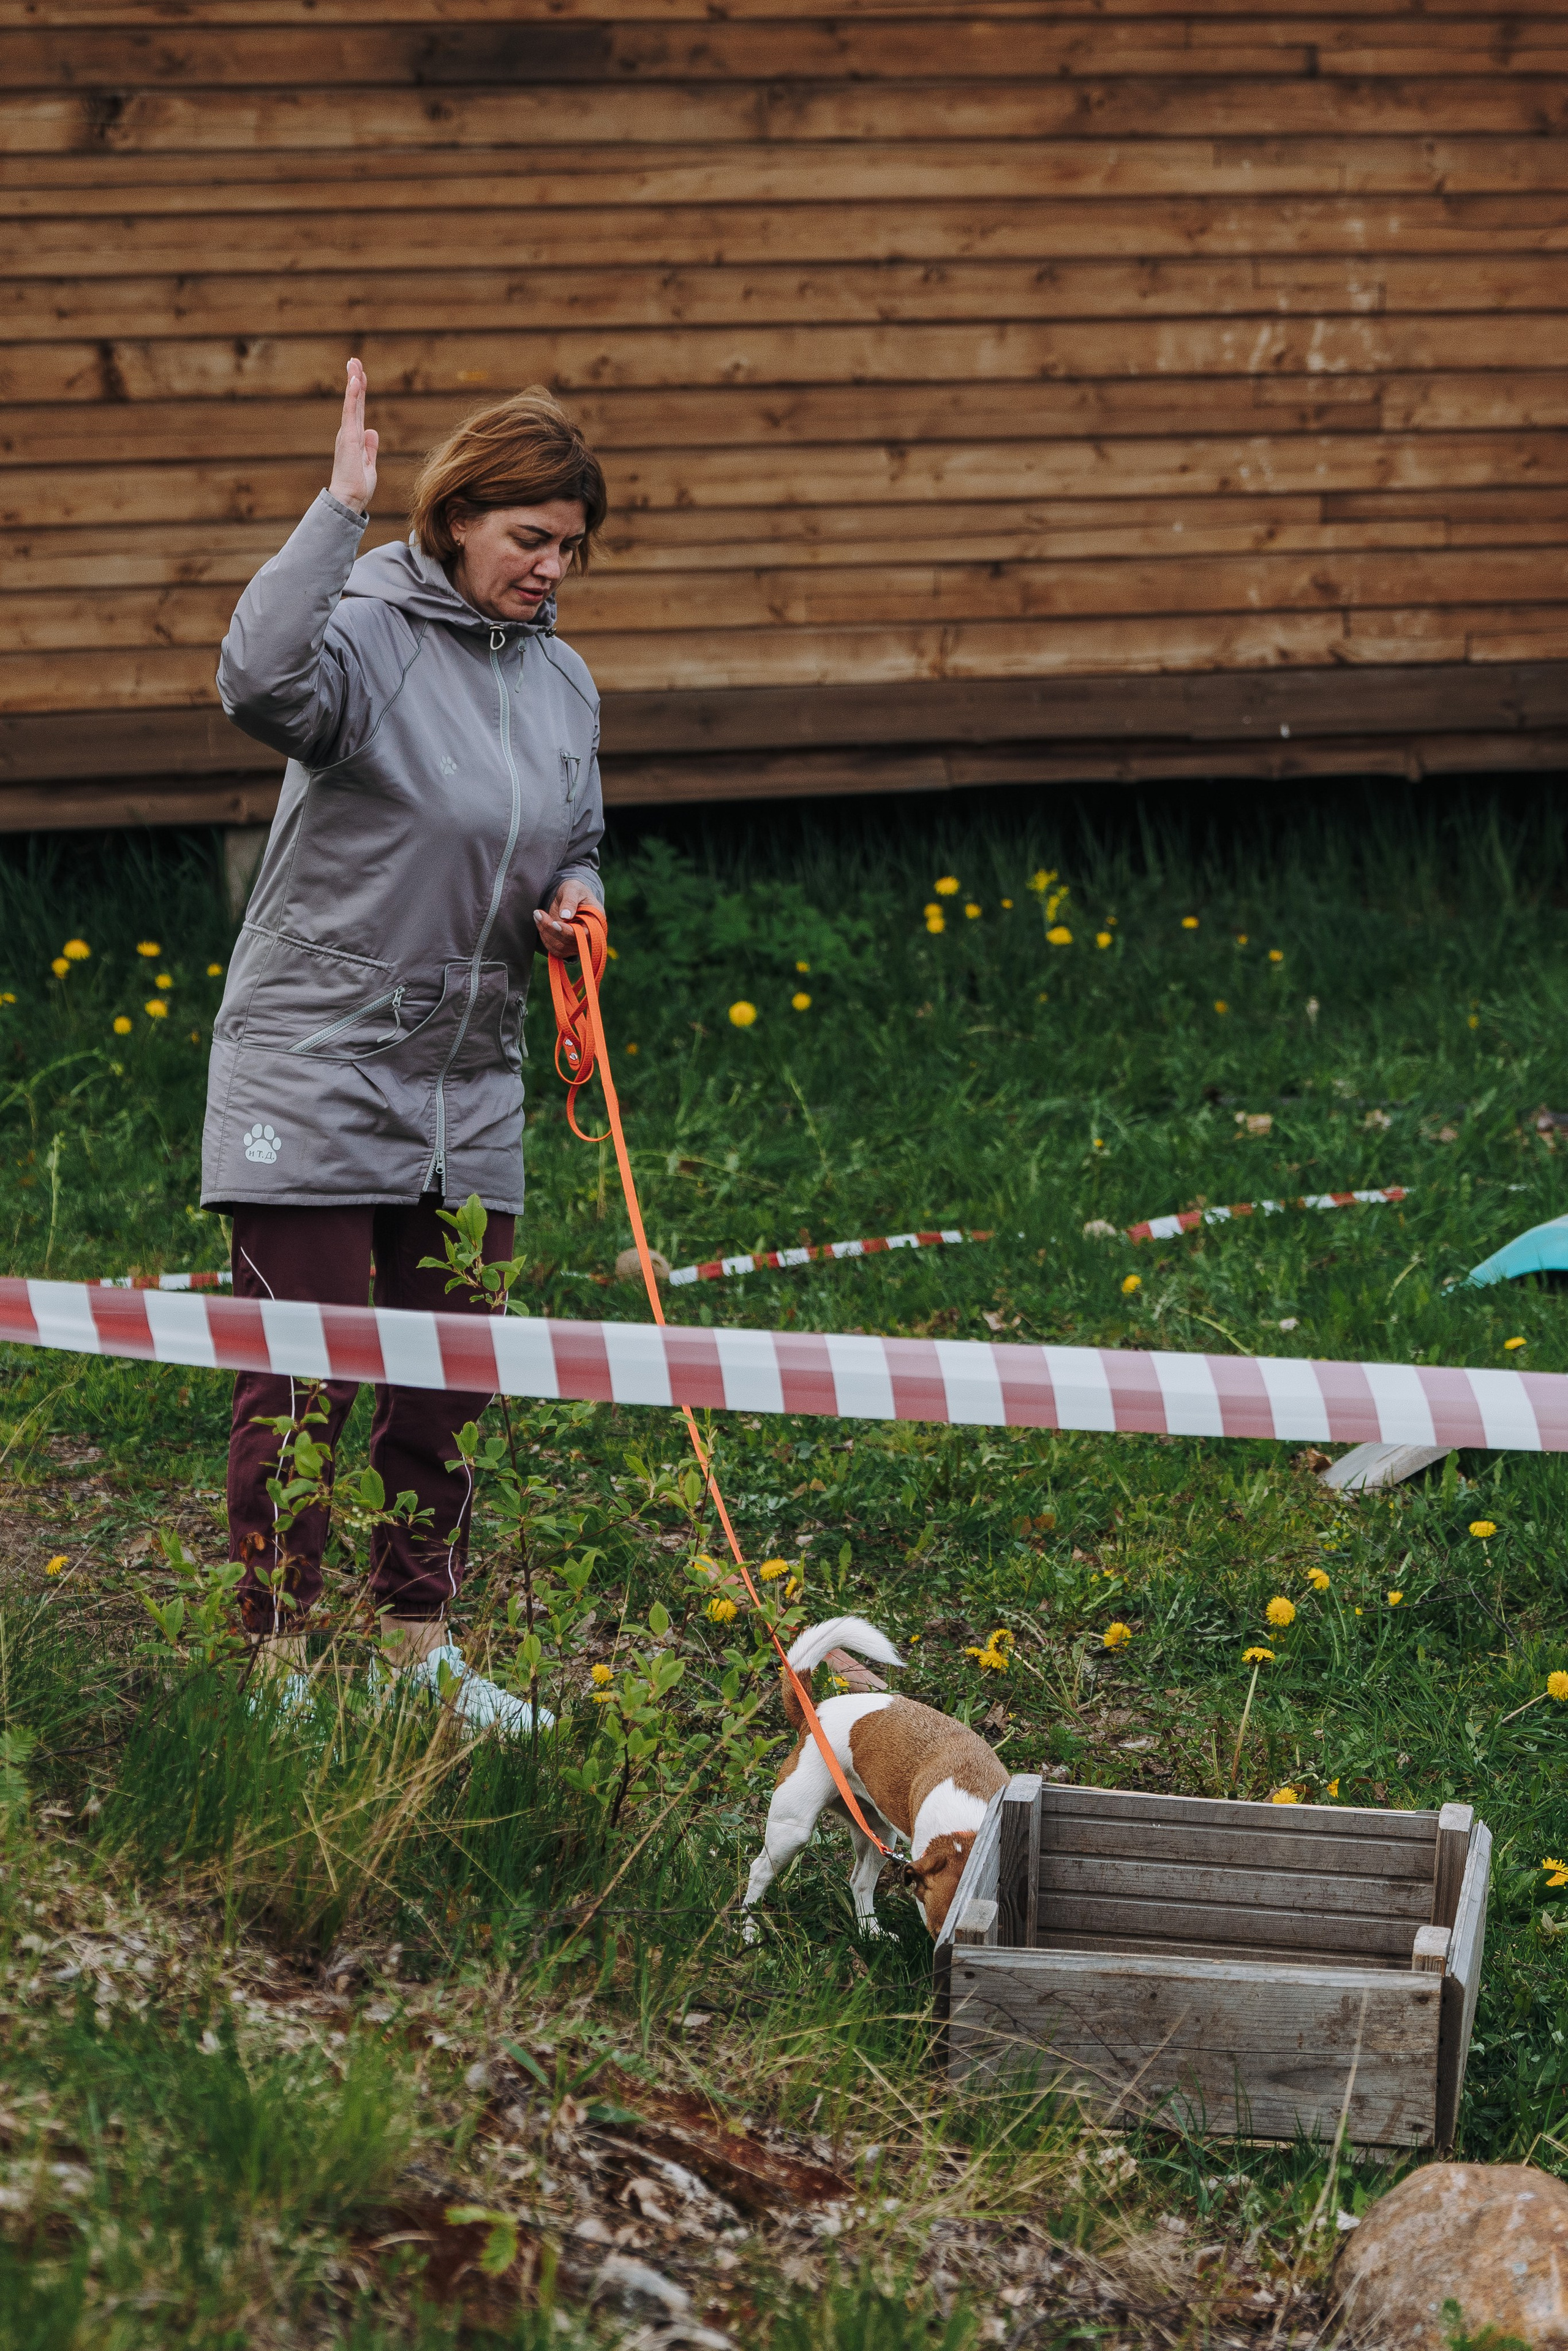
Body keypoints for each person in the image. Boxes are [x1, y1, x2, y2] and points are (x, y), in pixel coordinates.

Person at [203, 360, 606, 1727]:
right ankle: (276, 1669)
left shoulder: (564, 684)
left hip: (466, 1089)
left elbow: (581, 839)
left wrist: (577, 904)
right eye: (528, 537)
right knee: (304, 1380)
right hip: (313, 1069)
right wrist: (335, 511)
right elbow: (254, 681)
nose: (551, 567)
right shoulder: (365, 630)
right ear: (455, 519)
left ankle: (411, 1651)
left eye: (569, 547)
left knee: (444, 1387)